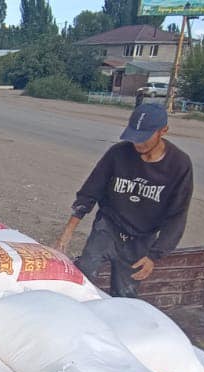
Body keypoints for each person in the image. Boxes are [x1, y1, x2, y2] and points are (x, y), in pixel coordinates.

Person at [56, 104, 194, 298]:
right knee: (83, 274)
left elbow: (177, 215)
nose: (137, 144)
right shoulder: (118, 153)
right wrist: (68, 231)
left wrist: (154, 256)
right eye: (134, 137)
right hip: (108, 226)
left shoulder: (179, 164)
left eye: (144, 138)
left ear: (163, 131)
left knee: (124, 293)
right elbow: (90, 191)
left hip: (141, 238)